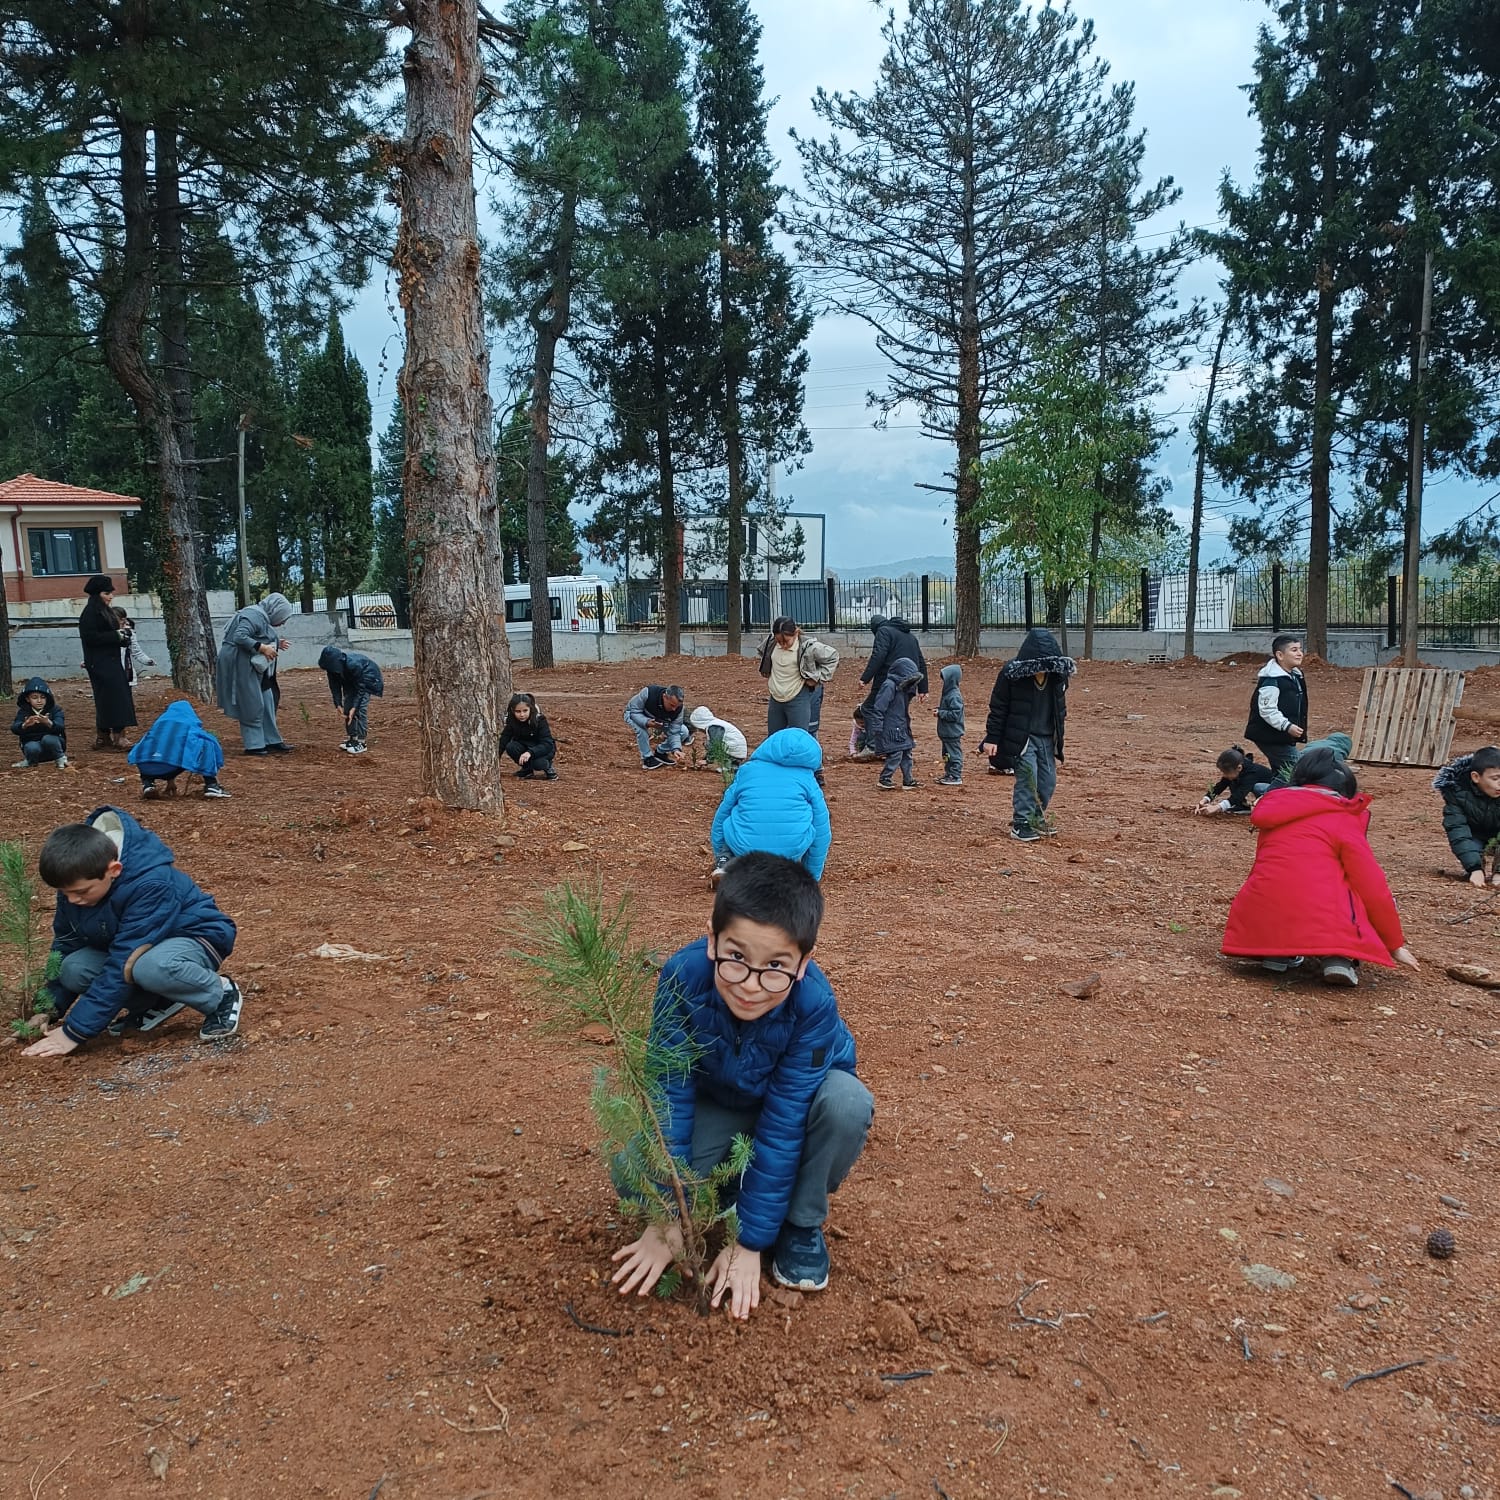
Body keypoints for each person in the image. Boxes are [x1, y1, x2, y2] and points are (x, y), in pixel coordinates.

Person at [609, 852, 872, 1317]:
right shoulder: (682, 978)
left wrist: (748, 1242)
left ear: (804, 963)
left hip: (800, 1104)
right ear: (712, 942)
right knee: (630, 1173)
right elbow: (669, 1092)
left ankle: (799, 1223)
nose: (751, 984)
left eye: (775, 966)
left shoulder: (812, 1005)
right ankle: (728, 1192)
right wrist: (670, 1216)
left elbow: (787, 1119)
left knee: (846, 1104)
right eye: (736, 958)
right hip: (725, 1101)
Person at [20, 805, 244, 1057]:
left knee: (149, 966)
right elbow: (66, 944)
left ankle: (220, 993)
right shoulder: (79, 880)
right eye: (64, 893)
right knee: (73, 967)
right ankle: (161, 1001)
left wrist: (75, 1032)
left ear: (113, 870)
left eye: (81, 892)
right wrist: (48, 1008)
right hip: (144, 947)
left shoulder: (150, 883)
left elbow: (123, 962)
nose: (72, 900)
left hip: (195, 936)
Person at [1222, 747, 1419, 988]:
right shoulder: (1344, 817)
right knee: (1349, 886)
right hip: (1325, 915)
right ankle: (1339, 957)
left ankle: (1276, 952)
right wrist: (1394, 943)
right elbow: (1372, 886)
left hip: (1260, 913)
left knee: (1278, 878)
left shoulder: (1275, 812)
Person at [980, 627, 1075, 841]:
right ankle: (1021, 823)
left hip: (1047, 737)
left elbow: (1060, 707)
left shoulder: (1057, 676)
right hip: (1022, 738)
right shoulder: (1010, 674)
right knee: (1027, 779)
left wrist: (1058, 736)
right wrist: (992, 738)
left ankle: (1035, 817)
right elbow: (998, 706)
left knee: (1047, 781)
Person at [710, 729, 831, 884]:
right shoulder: (807, 780)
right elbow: (822, 831)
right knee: (807, 822)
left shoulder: (747, 771)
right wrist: (811, 876)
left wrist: (719, 852)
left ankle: (725, 864)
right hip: (789, 850)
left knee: (734, 817)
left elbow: (722, 814)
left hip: (744, 847)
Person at [216, 593, 295, 756]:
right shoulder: (253, 615)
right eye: (283, 618)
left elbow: (258, 635)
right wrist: (262, 648)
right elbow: (240, 636)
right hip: (239, 664)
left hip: (251, 665)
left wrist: (276, 643)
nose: (283, 622)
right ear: (276, 611)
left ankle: (271, 740)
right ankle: (254, 744)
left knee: (267, 699)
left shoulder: (261, 616)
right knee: (251, 702)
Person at [756, 617, 840, 741]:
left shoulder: (808, 646)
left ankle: (800, 760)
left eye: (786, 641)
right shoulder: (771, 642)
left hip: (798, 697)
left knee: (798, 738)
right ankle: (777, 760)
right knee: (774, 739)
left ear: (795, 633)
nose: (783, 645)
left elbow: (833, 656)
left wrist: (817, 678)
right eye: (779, 641)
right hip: (775, 698)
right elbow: (762, 653)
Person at [128, 700, 230, 800]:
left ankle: (148, 784)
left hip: (147, 768)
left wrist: (170, 781)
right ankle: (211, 785)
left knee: (150, 751)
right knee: (207, 742)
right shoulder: (188, 726)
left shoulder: (157, 727)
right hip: (171, 767)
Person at [78, 574, 136, 752]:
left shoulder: (106, 611)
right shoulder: (90, 613)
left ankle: (105, 736)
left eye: (111, 593)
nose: (111, 596)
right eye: (106, 593)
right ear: (97, 594)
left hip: (110, 661)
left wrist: (124, 637)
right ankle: (116, 737)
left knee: (115, 697)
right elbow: (92, 638)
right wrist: (117, 635)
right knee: (111, 698)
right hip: (99, 663)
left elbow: (112, 636)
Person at [1433, 745, 1500, 887]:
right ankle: (1476, 866)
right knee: (1472, 850)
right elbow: (1458, 830)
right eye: (1495, 778)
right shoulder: (1457, 793)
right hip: (1473, 835)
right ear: (1476, 777)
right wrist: (1474, 868)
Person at [1245, 633, 1308, 781]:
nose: (1299, 653)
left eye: (1300, 649)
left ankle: (1267, 794)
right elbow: (1267, 710)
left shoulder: (1295, 675)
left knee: (1282, 772)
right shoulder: (1271, 680)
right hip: (1270, 736)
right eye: (1294, 650)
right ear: (1280, 655)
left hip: (1282, 736)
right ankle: (1267, 796)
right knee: (1297, 771)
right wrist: (1287, 726)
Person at [317, 644, 385, 756]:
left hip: (368, 680)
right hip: (351, 681)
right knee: (347, 708)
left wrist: (355, 707)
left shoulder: (353, 665)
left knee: (359, 710)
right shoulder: (332, 669)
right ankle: (352, 738)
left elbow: (360, 688)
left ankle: (361, 742)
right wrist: (338, 704)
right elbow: (334, 687)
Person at [867, 655, 921, 790]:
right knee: (895, 753)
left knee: (907, 753)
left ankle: (908, 780)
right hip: (890, 727)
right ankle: (885, 778)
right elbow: (879, 707)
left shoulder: (902, 689)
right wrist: (877, 726)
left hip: (901, 726)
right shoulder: (889, 686)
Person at [858, 613, 928, 715]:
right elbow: (921, 662)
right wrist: (923, 688)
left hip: (888, 681)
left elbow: (879, 655)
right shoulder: (911, 637)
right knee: (899, 715)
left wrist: (865, 678)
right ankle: (900, 731)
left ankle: (873, 731)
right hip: (910, 682)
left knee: (870, 709)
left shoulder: (883, 631)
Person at [624, 684, 688, 770]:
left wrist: (676, 749)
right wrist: (646, 722)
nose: (674, 709)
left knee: (683, 731)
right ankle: (647, 759)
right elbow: (634, 711)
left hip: (659, 720)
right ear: (664, 697)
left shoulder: (678, 710)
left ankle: (660, 753)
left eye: (677, 706)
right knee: (642, 730)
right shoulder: (648, 693)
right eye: (672, 705)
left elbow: (674, 731)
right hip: (635, 714)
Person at [1195, 745, 1273, 815]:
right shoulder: (1236, 770)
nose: (1224, 775)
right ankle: (1241, 806)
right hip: (1252, 787)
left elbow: (1240, 793)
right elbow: (1221, 785)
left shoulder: (1252, 773)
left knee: (1258, 787)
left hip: (1274, 792)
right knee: (1232, 780)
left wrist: (1218, 807)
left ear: (1239, 767)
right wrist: (1205, 799)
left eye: (1226, 772)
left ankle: (1267, 807)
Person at [10, 676, 68, 770]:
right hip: (32, 742)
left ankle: (60, 759)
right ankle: (31, 762)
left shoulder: (55, 710)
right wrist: (24, 725)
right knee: (32, 747)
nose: (39, 701)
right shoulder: (24, 712)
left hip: (54, 744)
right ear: (28, 699)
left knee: (48, 739)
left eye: (43, 697)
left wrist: (49, 723)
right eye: (35, 697)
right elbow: (14, 728)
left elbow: (60, 726)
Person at [500, 691, 558, 780]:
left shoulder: (539, 720)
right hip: (524, 746)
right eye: (518, 711)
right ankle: (527, 769)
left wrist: (530, 753)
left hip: (543, 749)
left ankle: (548, 767)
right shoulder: (511, 721)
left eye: (525, 711)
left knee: (538, 763)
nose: (522, 715)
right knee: (511, 747)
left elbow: (547, 743)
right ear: (512, 711)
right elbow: (504, 739)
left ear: (530, 709)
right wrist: (495, 759)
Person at [688, 705, 748, 771]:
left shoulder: (713, 727)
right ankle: (731, 764)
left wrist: (707, 760)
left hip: (734, 751)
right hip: (738, 751)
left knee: (708, 744)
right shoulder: (716, 723)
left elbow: (715, 744)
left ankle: (729, 765)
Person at [112, 605, 156, 687]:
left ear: (122, 620)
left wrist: (147, 660)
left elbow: (136, 651)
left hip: (125, 670)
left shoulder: (129, 633)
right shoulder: (105, 633)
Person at [935, 663, 965, 786]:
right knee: (947, 755)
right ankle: (949, 773)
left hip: (952, 733)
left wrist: (940, 713)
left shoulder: (954, 695)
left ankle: (956, 775)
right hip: (946, 733)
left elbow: (955, 715)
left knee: (954, 755)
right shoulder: (949, 693)